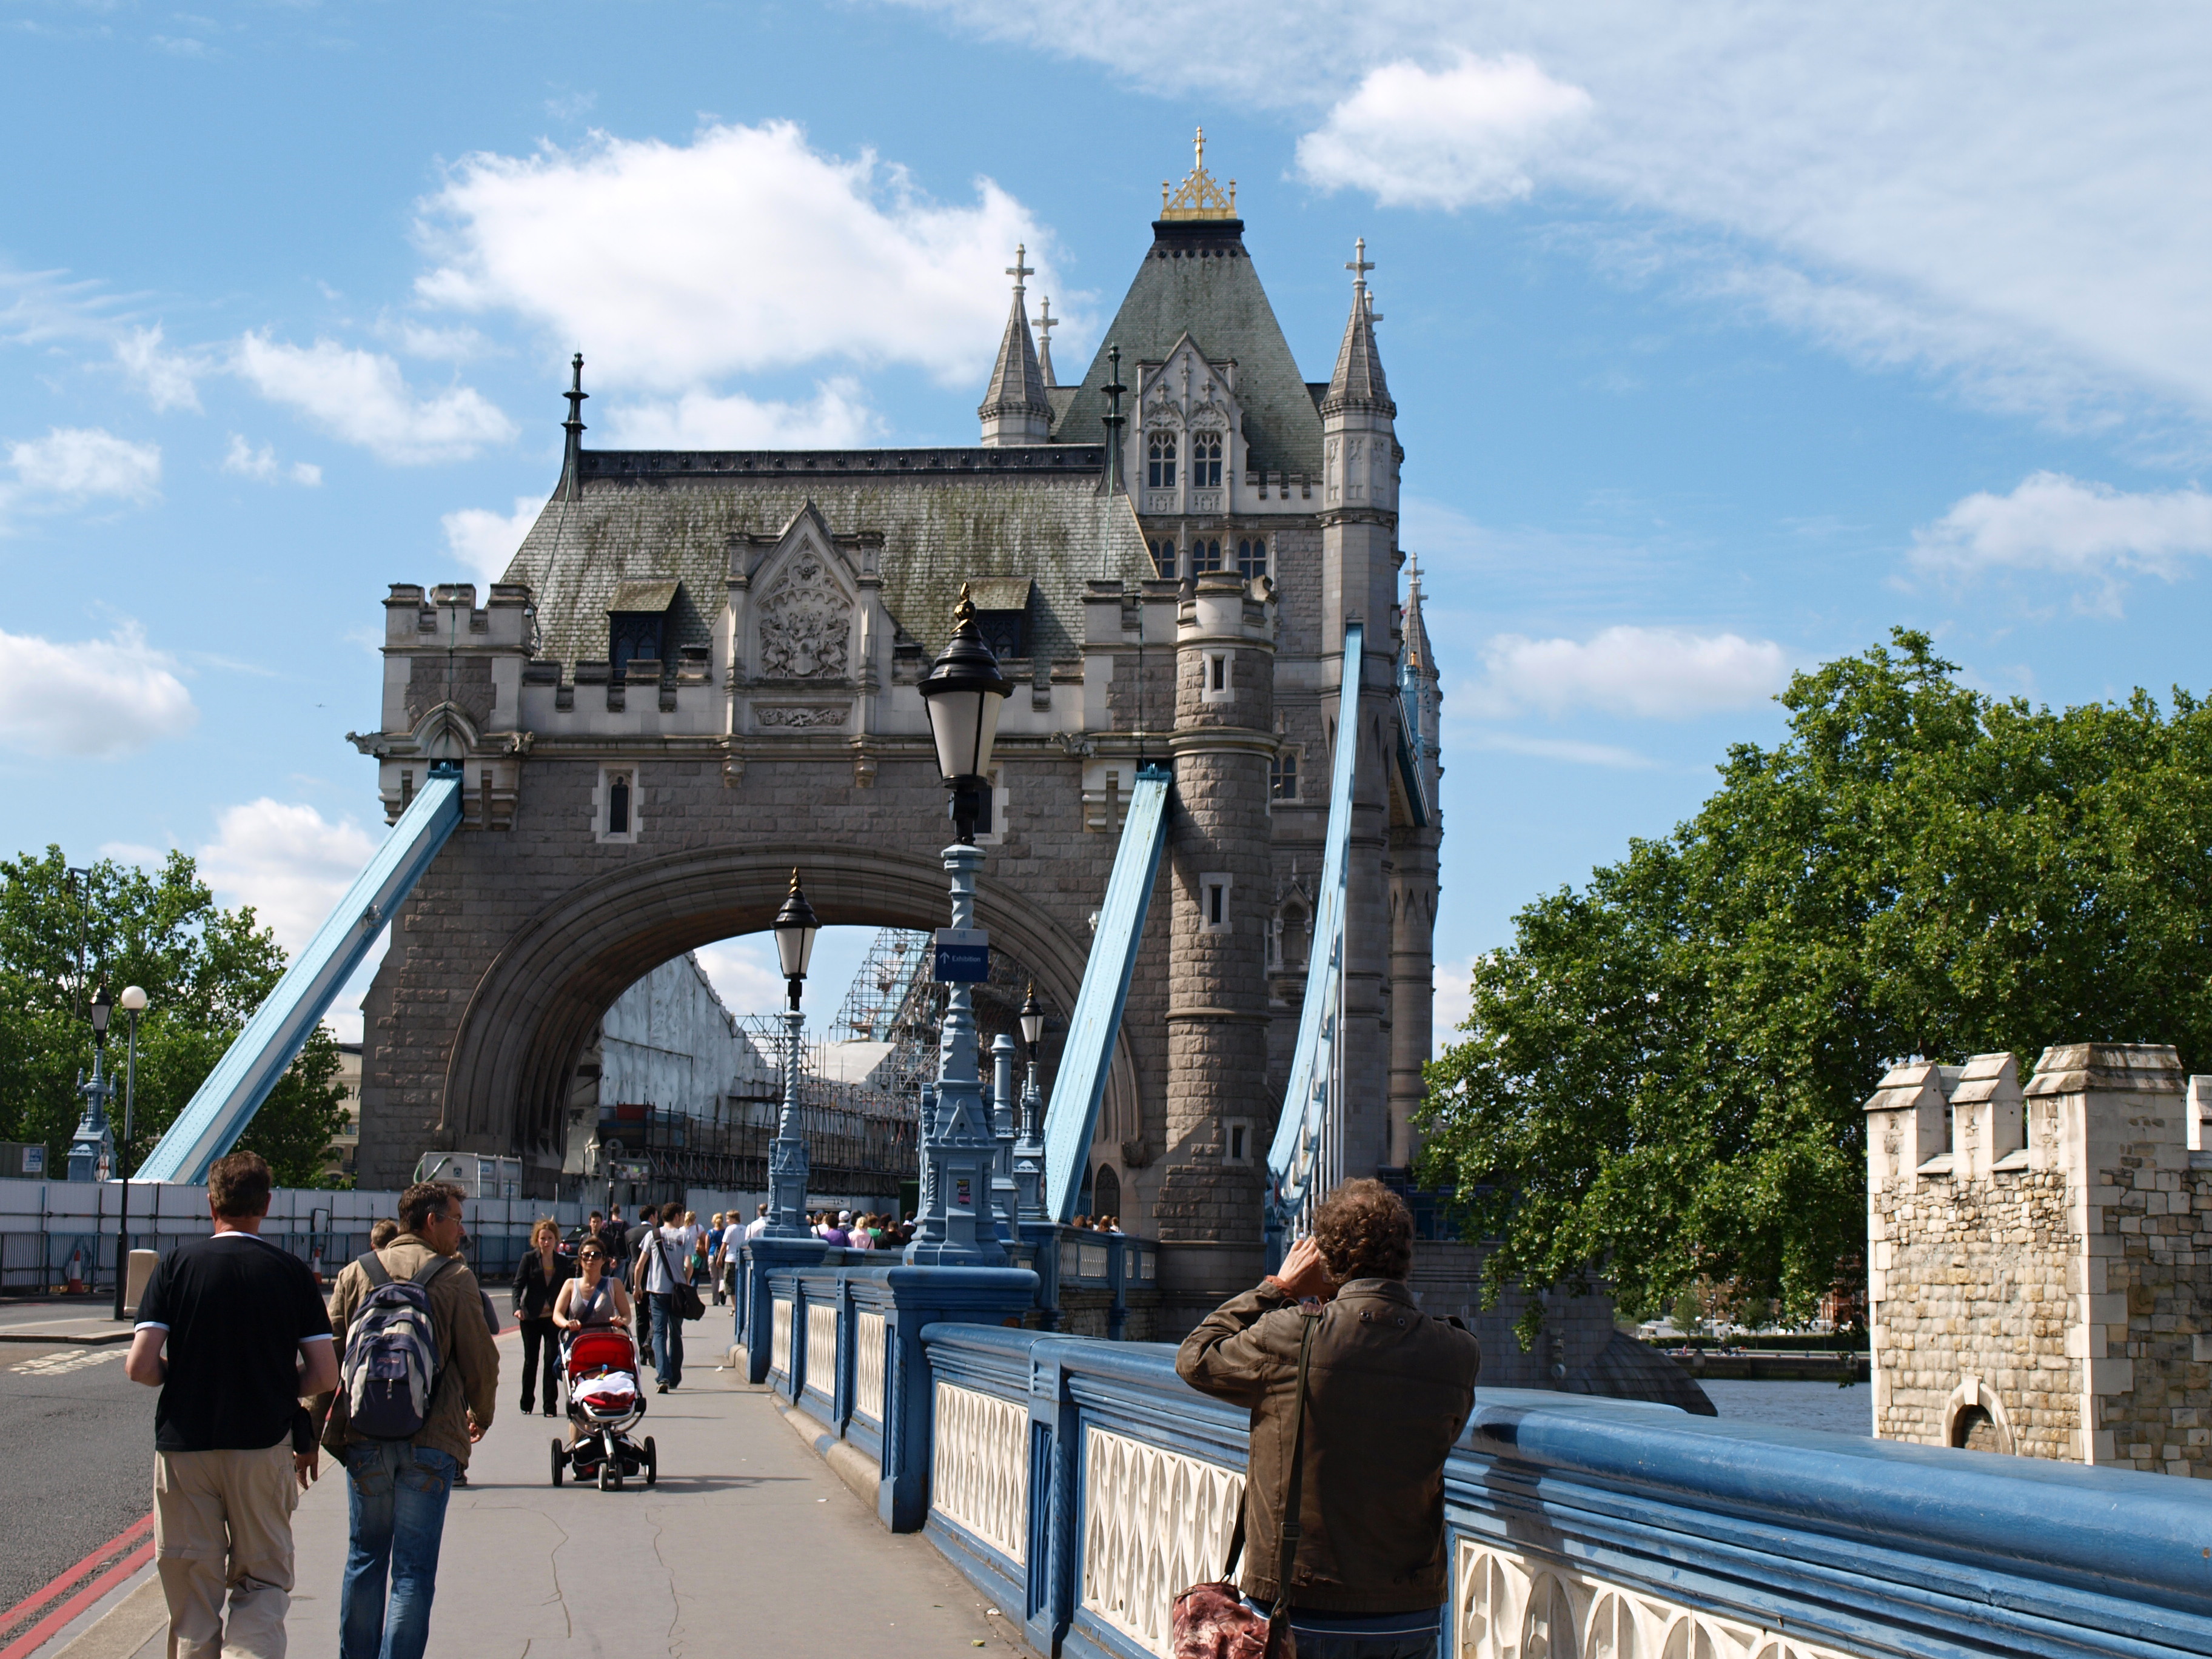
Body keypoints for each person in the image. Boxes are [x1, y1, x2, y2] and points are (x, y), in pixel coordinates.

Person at [1176, 1180, 1481, 1659]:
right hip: (1406, 1612)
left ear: (1326, 1259)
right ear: (1406, 1255)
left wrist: (1276, 1289)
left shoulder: (1290, 1337)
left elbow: (1196, 1357)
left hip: (1298, 1607)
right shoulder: (1457, 1352)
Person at [126, 1151, 338, 1659]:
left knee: (192, 1585)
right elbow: (324, 1374)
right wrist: (276, 1384)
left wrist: (182, 1375)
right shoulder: (290, 1274)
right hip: (261, 1444)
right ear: (266, 1204)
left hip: (185, 1445)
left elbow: (140, 1366)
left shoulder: (177, 1265)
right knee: (263, 1579)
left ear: (211, 1202)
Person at [316, 1181, 501, 1659]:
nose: (462, 1230)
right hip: (432, 1438)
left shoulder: (357, 1272)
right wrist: (480, 1414)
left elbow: (329, 1358)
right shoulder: (456, 1279)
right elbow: (481, 1359)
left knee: (364, 1559)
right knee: (413, 1573)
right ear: (431, 1222)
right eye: (456, 1219)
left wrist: (316, 1432)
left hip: (365, 1435)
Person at [550, 1238, 634, 1442]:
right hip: (579, 1350)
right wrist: (566, 1324)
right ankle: (579, 1448)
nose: (590, 1259)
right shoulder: (571, 1285)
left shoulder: (613, 1285)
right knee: (579, 1406)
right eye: (586, 1255)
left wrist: (619, 1321)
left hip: (606, 1349)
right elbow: (557, 1314)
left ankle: (609, 1435)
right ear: (580, 1260)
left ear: (604, 1260)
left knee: (606, 1395)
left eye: (596, 1255)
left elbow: (627, 1315)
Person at [512, 1219, 573, 1416]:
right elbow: (518, 1285)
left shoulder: (563, 1262)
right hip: (530, 1317)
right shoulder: (529, 1259)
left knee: (551, 1361)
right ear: (536, 1240)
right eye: (542, 1239)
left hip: (553, 1319)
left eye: (550, 1239)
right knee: (531, 1361)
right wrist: (517, 1308)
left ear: (556, 1240)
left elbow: (569, 1290)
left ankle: (550, 1406)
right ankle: (527, 1404)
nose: (546, 1242)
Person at [637, 1208, 694, 1393]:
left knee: (660, 1334)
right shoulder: (684, 1237)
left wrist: (638, 1287)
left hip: (657, 1291)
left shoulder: (653, 1235)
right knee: (676, 1333)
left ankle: (663, 1377)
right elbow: (688, 1265)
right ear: (677, 1216)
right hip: (677, 1293)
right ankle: (675, 1377)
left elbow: (641, 1265)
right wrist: (686, 1281)